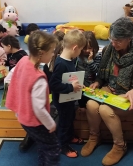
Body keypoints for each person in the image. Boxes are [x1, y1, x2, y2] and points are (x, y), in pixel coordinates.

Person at [80, 17, 133, 166]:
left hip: (128, 95)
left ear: (130, 38)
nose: (113, 43)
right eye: (112, 39)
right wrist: (97, 82)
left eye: (118, 40)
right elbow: (102, 76)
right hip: (109, 88)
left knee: (105, 110)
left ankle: (120, 145)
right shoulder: (108, 50)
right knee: (91, 105)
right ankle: (94, 137)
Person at [5, 31, 60, 166]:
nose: (53, 54)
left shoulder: (23, 60)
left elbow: (11, 81)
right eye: (52, 51)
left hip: (23, 117)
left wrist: (18, 111)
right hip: (35, 122)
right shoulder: (39, 78)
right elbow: (39, 108)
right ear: (42, 53)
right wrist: (51, 124)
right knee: (53, 147)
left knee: (42, 144)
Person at [49, 29, 86, 158]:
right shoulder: (61, 63)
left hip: (69, 99)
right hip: (62, 101)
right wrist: (71, 87)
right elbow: (53, 84)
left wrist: (78, 84)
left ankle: (69, 137)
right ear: (75, 48)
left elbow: (69, 78)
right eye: (80, 49)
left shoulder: (69, 60)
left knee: (70, 119)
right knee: (64, 123)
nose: (80, 52)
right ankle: (62, 145)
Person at [76, 31, 102, 110]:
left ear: (94, 46)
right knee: (81, 99)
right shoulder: (78, 54)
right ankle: (81, 106)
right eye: (84, 48)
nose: (87, 50)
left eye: (90, 48)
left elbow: (96, 70)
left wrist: (90, 61)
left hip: (91, 83)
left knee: (90, 100)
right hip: (80, 83)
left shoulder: (97, 55)